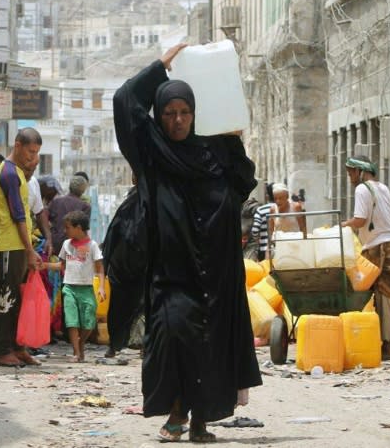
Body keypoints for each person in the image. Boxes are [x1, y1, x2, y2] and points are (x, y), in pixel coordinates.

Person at [112, 43, 261, 442]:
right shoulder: (149, 150)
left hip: (217, 265)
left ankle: (197, 422)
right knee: (172, 333)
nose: (177, 121)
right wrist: (161, 66)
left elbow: (243, 179)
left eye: (184, 113)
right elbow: (125, 100)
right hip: (170, 267)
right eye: (169, 113)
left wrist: (231, 137)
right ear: (159, 117)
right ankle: (177, 410)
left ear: (195, 114)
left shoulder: (215, 149)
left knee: (211, 341)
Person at [341, 155, 390, 360]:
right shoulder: (382, 187)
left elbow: (360, 220)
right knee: (385, 298)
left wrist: (343, 225)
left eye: (352, 172)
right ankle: (381, 343)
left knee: (384, 298)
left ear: (361, 171)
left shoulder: (362, 189)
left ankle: (386, 346)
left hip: (383, 250)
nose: (350, 176)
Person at [0, 128, 44, 368]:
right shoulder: (10, 174)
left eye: (36, 153)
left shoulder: (20, 174)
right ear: (18, 145)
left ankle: (18, 347)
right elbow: (18, 216)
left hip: (19, 246)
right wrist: (29, 249)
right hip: (9, 245)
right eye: (30, 152)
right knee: (7, 298)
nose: (32, 157)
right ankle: (4, 350)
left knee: (18, 299)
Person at [45, 211, 105, 362]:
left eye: (68, 227)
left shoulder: (92, 246)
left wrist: (101, 287)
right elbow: (62, 265)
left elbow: (100, 268)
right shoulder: (66, 244)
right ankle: (77, 353)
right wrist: (45, 265)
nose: (65, 231)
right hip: (69, 288)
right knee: (72, 321)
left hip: (86, 288)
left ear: (78, 227)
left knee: (89, 320)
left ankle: (81, 341)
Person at [101, 174, 146, 358]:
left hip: (129, 263)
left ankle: (118, 345)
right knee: (141, 304)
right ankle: (128, 345)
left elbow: (112, 234)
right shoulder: (133, 203)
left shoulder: (131, 203)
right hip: (132, 264)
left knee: (128, 305)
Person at [47, 176, 91, 255]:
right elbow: (83, 232)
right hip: (73, 247)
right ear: (83, 190)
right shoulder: (85, 206)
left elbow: (45, 220)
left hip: (54, 245)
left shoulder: (56, 201)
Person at [250, 183, 276, 261]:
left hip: (264, 248)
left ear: (267, 196)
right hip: (281, 248)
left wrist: (257, 239)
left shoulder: (261, 210)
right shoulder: (281, 209)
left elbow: (255, 230)